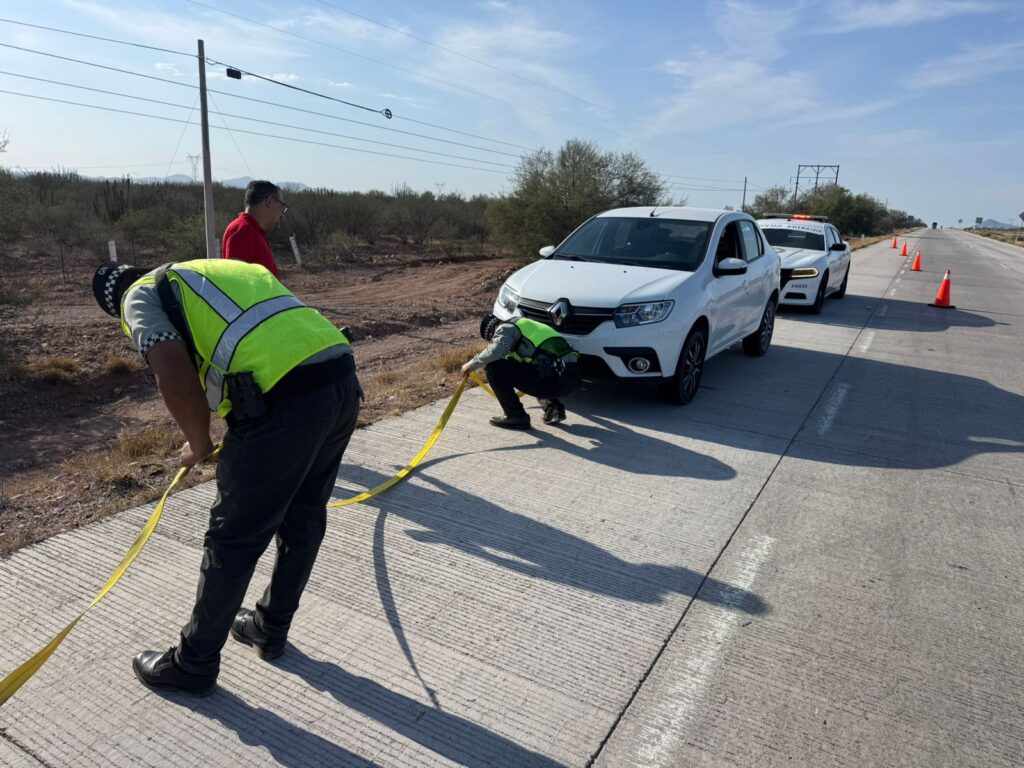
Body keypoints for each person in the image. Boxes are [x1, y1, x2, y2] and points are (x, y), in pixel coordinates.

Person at [91, 258, 361, 697]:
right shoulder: (209, 270)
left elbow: (172, 371)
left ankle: (193, 664)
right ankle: (269, 629)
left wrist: (198, 443)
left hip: (282, 403)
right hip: (340, 380)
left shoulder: (136, 296)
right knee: (303, 518)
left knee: (232, 539)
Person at [460, 314, 580, 429]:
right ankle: (553, 408)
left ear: (492, 332)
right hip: (572, 379)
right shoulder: (523, 325)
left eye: (492, 339)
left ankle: (516, 416)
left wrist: (470, 365)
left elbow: (495, 351)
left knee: (493, 366)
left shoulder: (505, 328)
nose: (494, 341)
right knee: (532, 365)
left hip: (554, 382)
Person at [221, 180, 288, 277]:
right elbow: (236, 280)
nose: (282, 214)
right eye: (282, 206)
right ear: (269, 201)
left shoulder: (253, 230)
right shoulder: (243, 230)